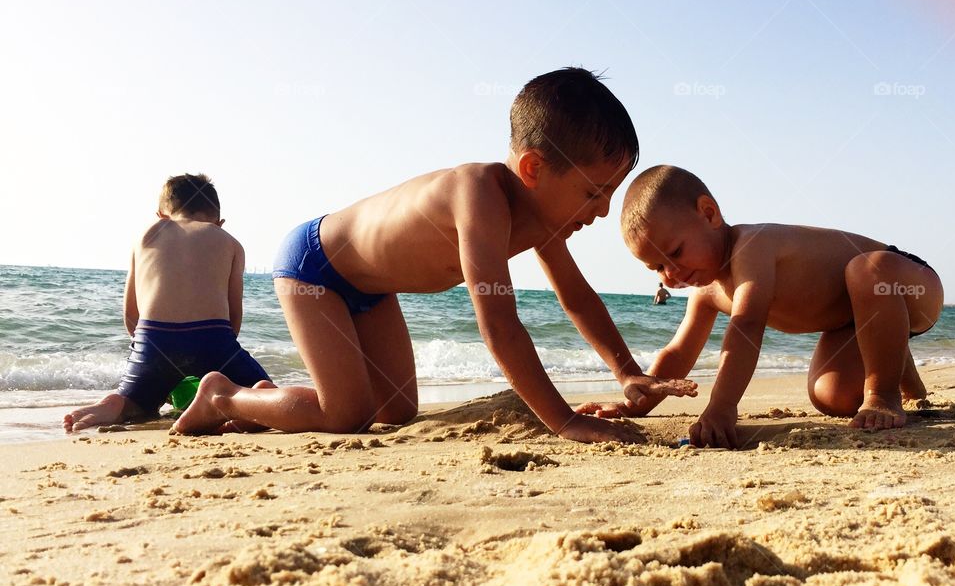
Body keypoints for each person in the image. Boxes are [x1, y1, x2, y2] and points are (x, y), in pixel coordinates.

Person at [173, 69, 697, 442]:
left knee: (396, 411)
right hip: (314, 266)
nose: (603, 211)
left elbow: (577, 298)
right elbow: (500, 323)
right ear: (534, 168)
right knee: (347, 413)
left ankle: (268, 407)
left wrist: (628, 371)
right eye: (593, 192)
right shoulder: (479, 196)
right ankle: (224, 396)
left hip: (369, 287)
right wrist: (563, 420)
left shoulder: (541, 220)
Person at [576, 165, 943, 448]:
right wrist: (635, 403)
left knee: (866, 270)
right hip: (854, 323)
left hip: (905, 285)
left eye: (675, 253)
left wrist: (722, 408)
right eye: (656, 267)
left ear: (708, 213)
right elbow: (678, 352)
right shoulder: (705, 290)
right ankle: (901, 371)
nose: (671, 273)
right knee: (832, 397)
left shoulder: (751, 247)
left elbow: (746, 326)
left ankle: (885, 391)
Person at [63, 174, 271, 433]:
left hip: (153, 340)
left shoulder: (145, 237)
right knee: (265, 393)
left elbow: (130, 314)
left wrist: (148, 353)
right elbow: (234, 317)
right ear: (219, 222)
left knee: (138, 402)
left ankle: (115, 404)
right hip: (213, 339)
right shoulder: (229, 242)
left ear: (161, 216)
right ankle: (237, 407)